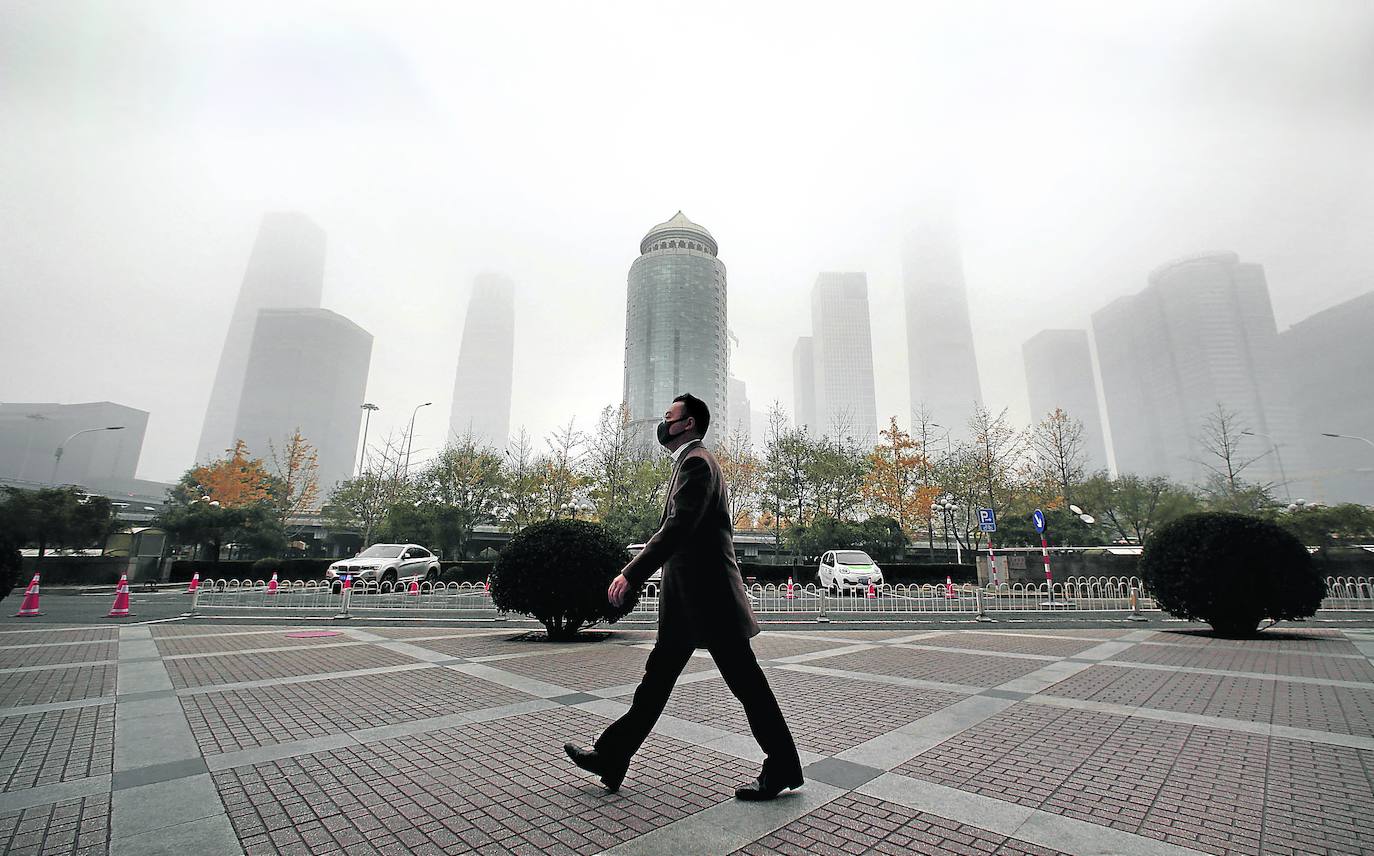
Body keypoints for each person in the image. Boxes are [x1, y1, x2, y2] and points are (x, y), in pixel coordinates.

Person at [564, 393, 804, 800]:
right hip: (695, 606)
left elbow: (677, 529)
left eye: (669, 417)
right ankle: (612, 755)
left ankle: (782, 765)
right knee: (657, 684)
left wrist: (631, 572)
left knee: (747, 686)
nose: (664, 423)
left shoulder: (697, 464)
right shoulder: (695, 464)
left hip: (710, 604)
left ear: (688, 424)